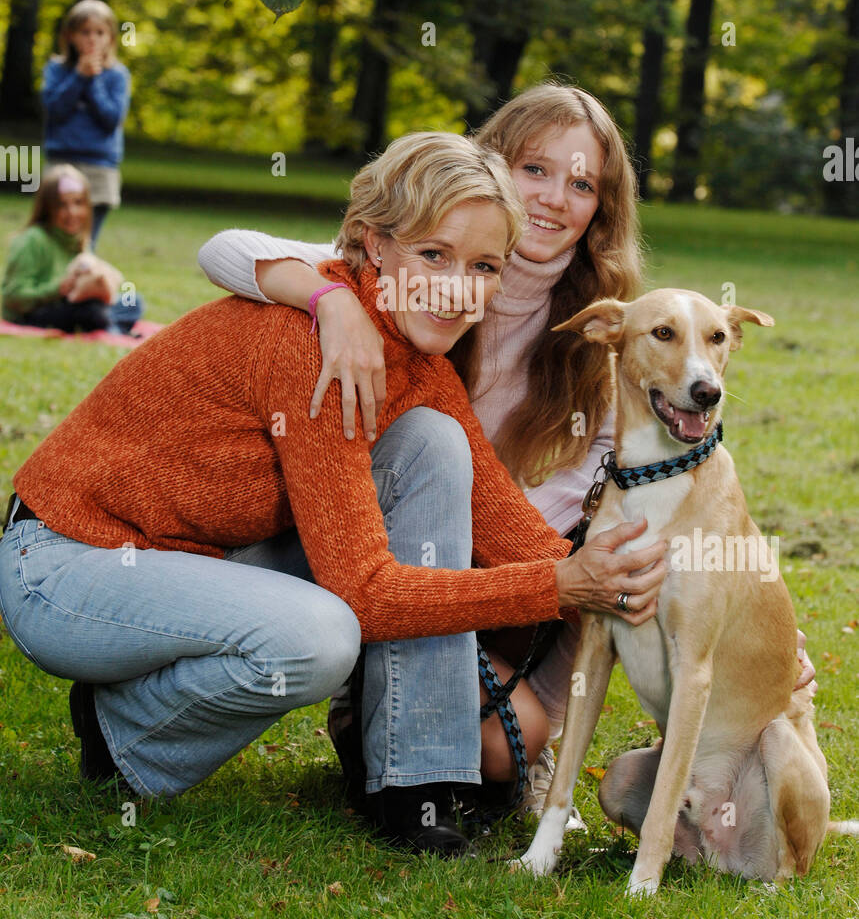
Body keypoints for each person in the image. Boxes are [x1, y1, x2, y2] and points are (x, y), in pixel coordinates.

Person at [0, 132, 667, 858]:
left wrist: (646, 585)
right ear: (374, 246)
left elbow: (507, 527)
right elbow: (368, 593)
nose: (456, 288)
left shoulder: (416, 358)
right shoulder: (313, 344)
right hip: (65, 565)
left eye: (483, 267)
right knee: (320, 636)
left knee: (434, 444)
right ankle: (125, 731)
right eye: (434, 256)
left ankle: (414, 781)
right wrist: (558, 583)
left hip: (189, 560)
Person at [198, 81, 815, 815]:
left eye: (582, 183)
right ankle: (382, 708)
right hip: (393, 561)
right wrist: (332, 305)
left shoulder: (614, 335)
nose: (555, 199)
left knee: (514, 728)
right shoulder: (416, 264)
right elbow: (225, 248)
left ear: (602, 207)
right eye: (535, 170)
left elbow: (678, 493)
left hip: (524, 591)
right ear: (491, 170)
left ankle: (521, 734)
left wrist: (774, 636)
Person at [2, 163, 143, 335]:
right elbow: (13, 297)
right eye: (62, 205)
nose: (72, 212)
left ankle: (108, 325)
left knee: (133, 301)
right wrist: (59, 289)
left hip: (76, 305)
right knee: (92, 312)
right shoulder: (32, 240)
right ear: (48, 208)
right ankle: (112, 328)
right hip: (34, 313)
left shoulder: (78, 239)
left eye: (78, 203)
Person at [42, 0, 131, 246]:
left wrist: (94, 80)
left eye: (100, 32)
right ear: (70, 35)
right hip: (61, 163)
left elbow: (111, 119)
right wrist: (79, 76)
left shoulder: (117, 76)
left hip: (99, 167)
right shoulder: (56, 69)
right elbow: (54, 110)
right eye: (85, 32)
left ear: (111, 38)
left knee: (85, 242)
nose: (92, 39)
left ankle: (81, 281)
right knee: (54, 238)